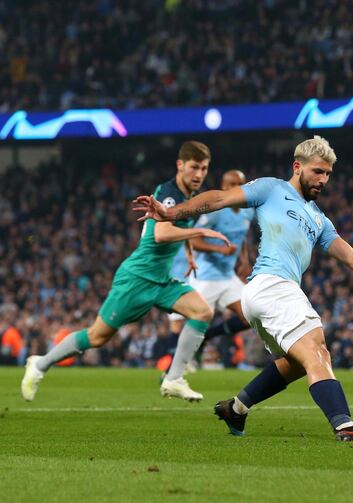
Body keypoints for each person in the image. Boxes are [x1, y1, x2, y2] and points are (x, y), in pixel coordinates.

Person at [133, 136, 353, 441]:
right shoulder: (272, 188)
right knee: (317, 351)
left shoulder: (319, 219)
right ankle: (345, 426)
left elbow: (351, 256)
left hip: (262, 295)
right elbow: (219, 199)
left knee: (297, 363)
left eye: (328, 174)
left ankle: (236, 408)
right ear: (297, 167)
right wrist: (171, 213)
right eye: (317, 171)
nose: (323, 179)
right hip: (272, 286)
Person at [21, 141, 229, 402]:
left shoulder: (186, 197)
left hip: (162, 280)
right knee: (96, 337)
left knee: (202, 311)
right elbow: (162, 233)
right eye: (194, 167)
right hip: (138, 278)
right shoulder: (169, 193)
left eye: (204, 168)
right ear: (180, 165)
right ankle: (39, 364)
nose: (199, 174)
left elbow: (178, 225)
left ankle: (173, 379)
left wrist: (188, 252)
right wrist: (200, 232)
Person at [165, 169, 254, 378]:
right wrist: (220, 250)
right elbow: (193, 240)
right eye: (229, 184)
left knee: (251, 315)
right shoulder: (214, 211)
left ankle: (208, 337)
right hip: (205, 277)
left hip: (228, 277)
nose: (233, 189)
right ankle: (173, 368)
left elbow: (242, 239)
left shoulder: (247, 211)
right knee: (191, 322)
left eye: (237, 185)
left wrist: (244, 260)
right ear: (223, 187)